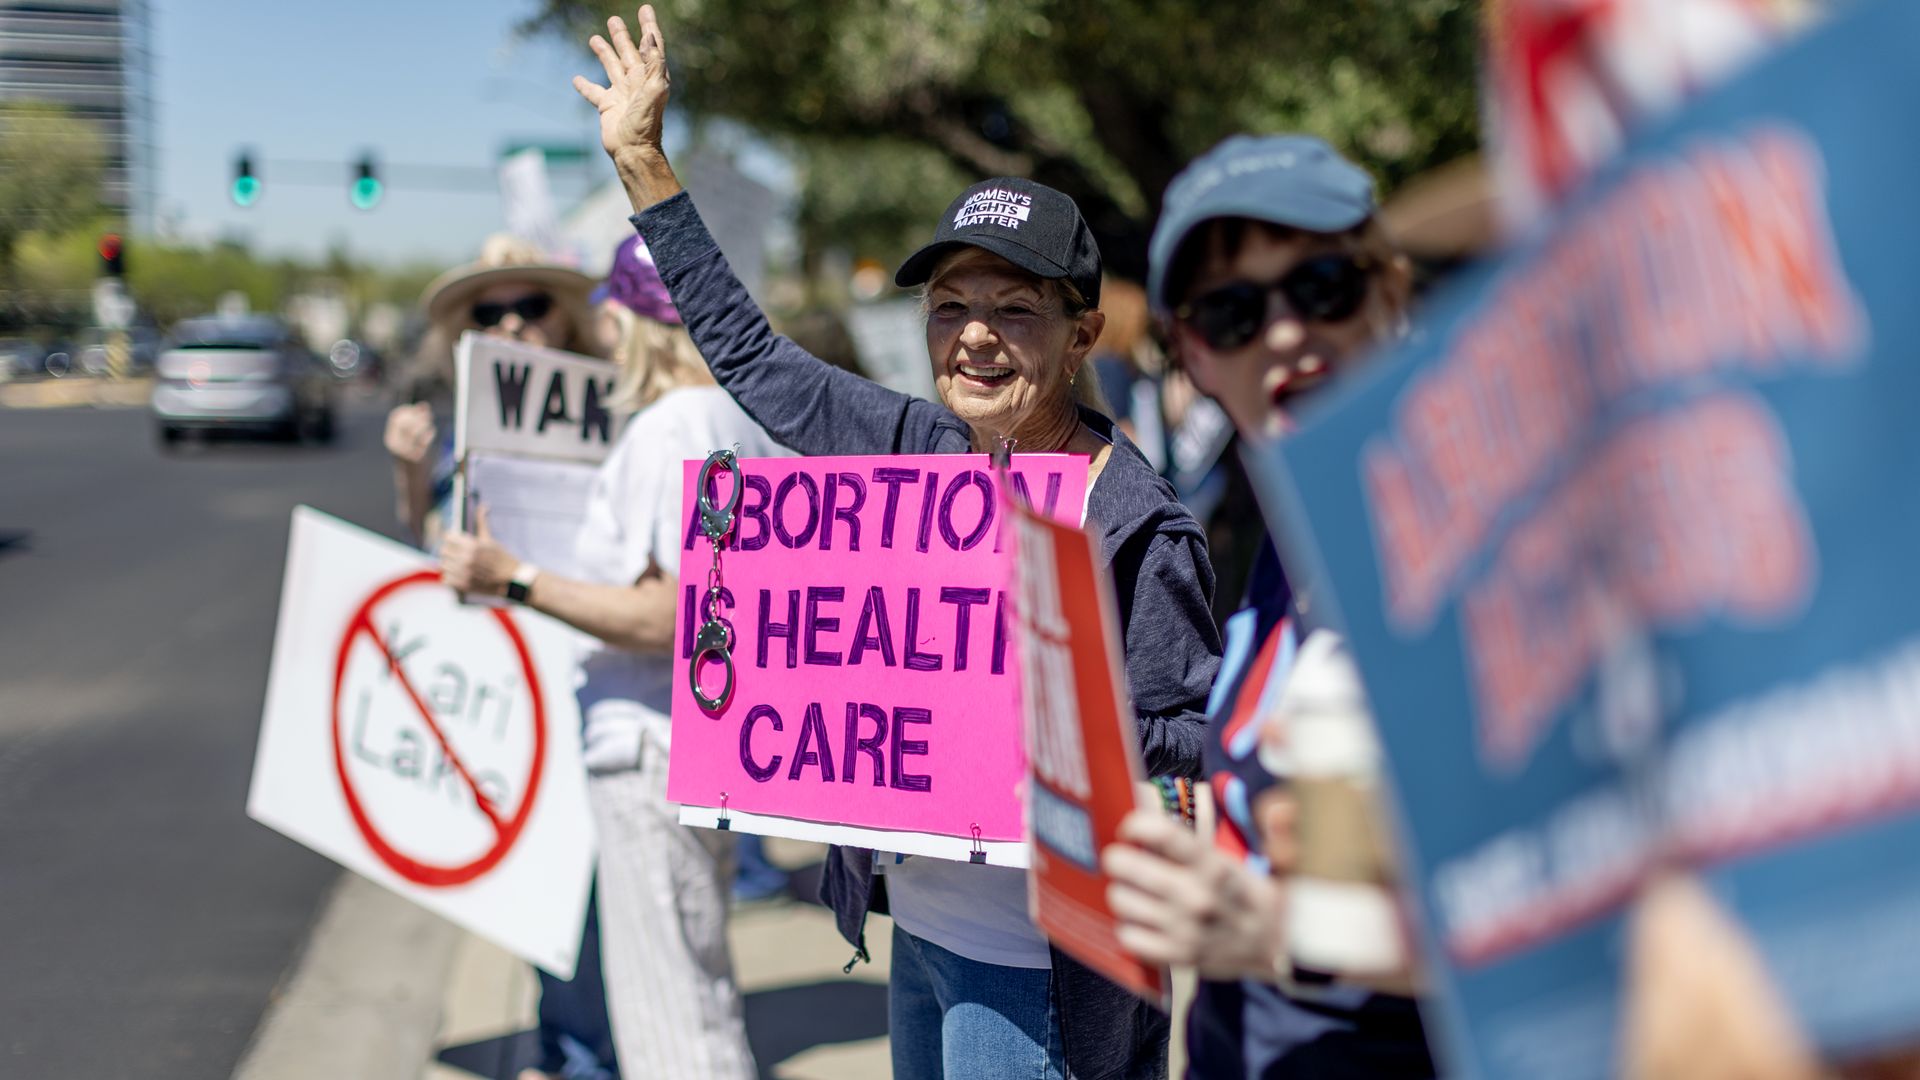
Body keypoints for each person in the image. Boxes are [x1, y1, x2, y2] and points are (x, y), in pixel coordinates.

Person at [572, 9, 1222, 1077]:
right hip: (920, 930)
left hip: (1039, 962)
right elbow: (755, 362)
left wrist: (1057, 723)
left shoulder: (1136, 522)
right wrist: (644, 166)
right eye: (948, 304)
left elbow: (1197, 738)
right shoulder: (919, 452)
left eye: (1013, 309)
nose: (972, 334)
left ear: (1079, 338)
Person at [1101, 133, 1436, 1078]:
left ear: (1394, 295)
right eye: (1232, 312)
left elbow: (1578, 919)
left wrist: (1278, 930)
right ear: (1195, 358)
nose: (1285, 332)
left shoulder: (1477, 545)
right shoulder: (1292, 542)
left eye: (1322, 286)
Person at [439, 234, 780, 1080]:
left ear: (633, 324)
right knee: (697, 992)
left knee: (672, 1025)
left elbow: (678, 614)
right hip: (704, 748)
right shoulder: (739, 414)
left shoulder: (672, 425)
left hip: (650, 749)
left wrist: (512, 577)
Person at [385, 234, 603, 547]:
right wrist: (410, 467)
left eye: (532, 307)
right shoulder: (465, 426)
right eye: (489, 313)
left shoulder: (613, 410)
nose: (512, 324)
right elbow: (428, 535)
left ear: (567, 318)